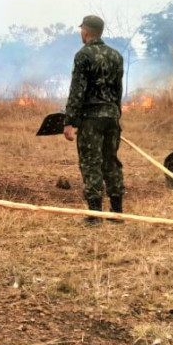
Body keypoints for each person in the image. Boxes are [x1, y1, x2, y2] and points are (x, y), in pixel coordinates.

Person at [62, 15, 124, 225]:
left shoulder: (83, 55)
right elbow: (118, 90)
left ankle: (95, 215)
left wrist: (69, 121)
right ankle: (117, 213)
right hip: (112, 116)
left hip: (91, 119)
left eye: (82, 30)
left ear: (86, 31)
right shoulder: (116, 55)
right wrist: (117, 115)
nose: (81, 33)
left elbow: (77, 90)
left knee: (91, 164)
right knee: (111, 163)